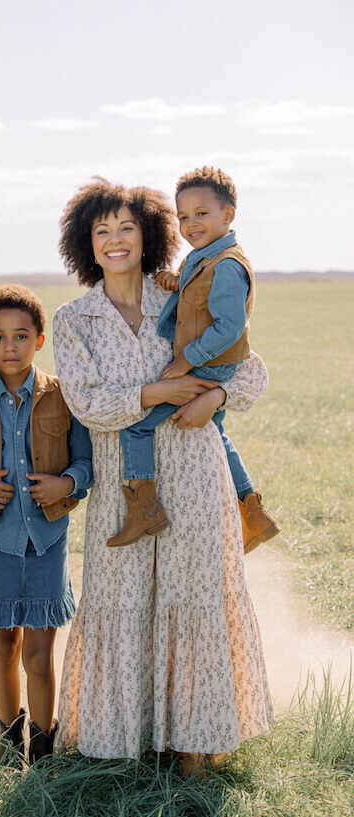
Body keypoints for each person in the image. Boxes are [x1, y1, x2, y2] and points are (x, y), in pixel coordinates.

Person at [53, 178, 274, 776]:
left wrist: (215, 396)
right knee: (121, 600)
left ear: (149, 234)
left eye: (127, 227)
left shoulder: (182, 295)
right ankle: (121, 742)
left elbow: (251, 371)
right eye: (102, 230)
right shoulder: (75, 320)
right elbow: (87, 404)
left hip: (197, 476)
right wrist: (158, 392)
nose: (115, 239)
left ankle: (195, 744)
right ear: (86, 243)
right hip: (124, 486)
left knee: (193, 598)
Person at [108, 166, 280, 551]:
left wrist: (186, 361)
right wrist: (175, 280)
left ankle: (143, 509)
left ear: (228, 214)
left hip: (207, 366)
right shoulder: (202, 257)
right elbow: (197, 292)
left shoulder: (228, 265)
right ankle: (252, 511)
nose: (191, 224)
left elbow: (228, 327)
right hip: (209, 365)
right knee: (217, 435)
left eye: (201, 213)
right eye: (183, 217)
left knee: (136, 426)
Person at [0, 285, 93, 767]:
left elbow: (87, 463)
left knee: (38, 654)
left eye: (20, 336)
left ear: (39, 340)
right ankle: (9, 749)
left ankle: (43, 752)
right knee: (3, 645)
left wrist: (66, 484)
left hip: (47, 540)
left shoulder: (62, 397)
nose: (9, 346)